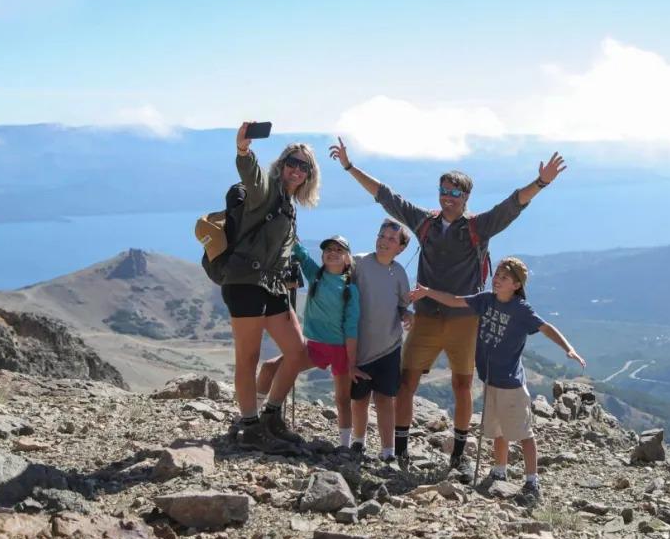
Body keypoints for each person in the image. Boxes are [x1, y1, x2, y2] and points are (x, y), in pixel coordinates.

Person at [329, 136, 566, 481]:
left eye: (455, 192)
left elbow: (512, 205)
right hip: (427, 316)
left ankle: (458, 456)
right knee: (406, 383)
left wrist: (541, 182)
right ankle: (400, 451)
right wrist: (350, 167)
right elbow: (386, 196)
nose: (448, 197)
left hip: (464, 319)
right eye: (444, 190)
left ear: (466, 197)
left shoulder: (477, 227)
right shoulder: (425, 221)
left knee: (462, 386)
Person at [409, 257, 585, 505]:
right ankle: (499, 471)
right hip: (490, 380)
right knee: (497, 431)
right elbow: (455, 300)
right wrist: (428, 292)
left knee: (523, 433)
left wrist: (568, 348)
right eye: (497, 275)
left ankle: (532, 481)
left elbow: (546, 328)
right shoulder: (486, 300)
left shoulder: (521, 309)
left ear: (516, 285)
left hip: (511, 384)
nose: (497, 280)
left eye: (504, 277)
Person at [225, 122, 319, 452]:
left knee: (298, 351)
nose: (297, 169)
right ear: (282, 164)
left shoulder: (289, 205)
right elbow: (252, 175)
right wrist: (243, 150)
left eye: (304, 166)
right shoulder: (265, 191)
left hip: (273, 286)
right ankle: (250, 426)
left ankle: (271, 415)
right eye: (292, 162)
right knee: (248, 357)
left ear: (309, 175)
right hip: (245, 284)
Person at [261, 235, 363, 447]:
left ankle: (345, 446)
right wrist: (290, 235)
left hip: (341, 350)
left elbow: (352, 328)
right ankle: (253, 418)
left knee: (342, 399)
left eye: (339, 250)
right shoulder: (315, 275)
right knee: (269, 367)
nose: (333, 253)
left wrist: (352, 362)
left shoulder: (350, 289)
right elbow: (302, 255)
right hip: (315, 346)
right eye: (328, 249)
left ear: (348, 258)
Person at [349, 218, 413, 461]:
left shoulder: (399, 273)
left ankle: (388, 452)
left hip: (389, 347)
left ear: (401, 248)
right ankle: (358, 442)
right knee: (359, 399)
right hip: (360, 347)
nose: (384, 241)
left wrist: (407, 314)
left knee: (385, 400)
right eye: (381, 236)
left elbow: (402, 305)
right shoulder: (359, 262)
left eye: (391, 239)